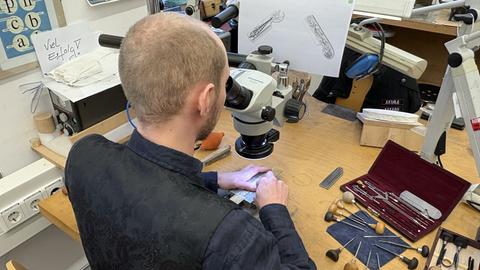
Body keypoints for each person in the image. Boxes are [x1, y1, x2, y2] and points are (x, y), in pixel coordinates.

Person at [65, 12, 316, 270]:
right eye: (224, 83)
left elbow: (151, 186)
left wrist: (218, 180)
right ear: (205, 99)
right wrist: (274, 210)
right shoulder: (230, 236)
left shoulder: (84, 155)